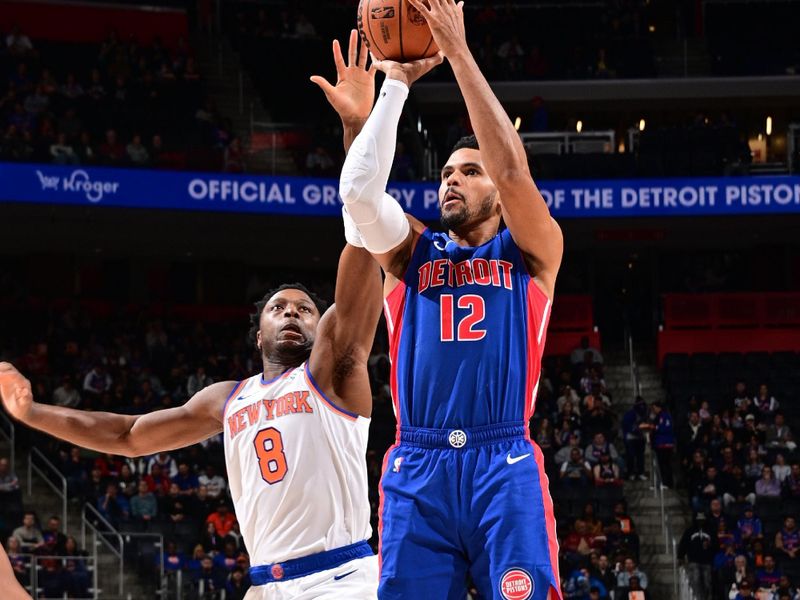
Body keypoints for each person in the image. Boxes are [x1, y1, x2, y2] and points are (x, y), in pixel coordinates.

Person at [316, 5, 563, 593]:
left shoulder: (533, 251)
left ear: (496, 196)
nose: (452, 179)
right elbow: (358, 195)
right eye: (447, 171)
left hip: (502, 461)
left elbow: (510, 170)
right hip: (417, 465)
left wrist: (457, 52)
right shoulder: (410, 255)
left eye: (468, 172)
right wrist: (393, 88)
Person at [0, 236, 384, 596]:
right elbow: (129, 435)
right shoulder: (227, 398)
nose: (291, 314)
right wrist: (32, 413)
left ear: (320, 330)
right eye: (278, 308)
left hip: (339, 577)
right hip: (267, 584)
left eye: (304, 310)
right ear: (258, 335)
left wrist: (361, 196)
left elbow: (359, 274)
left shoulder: (331, 376)